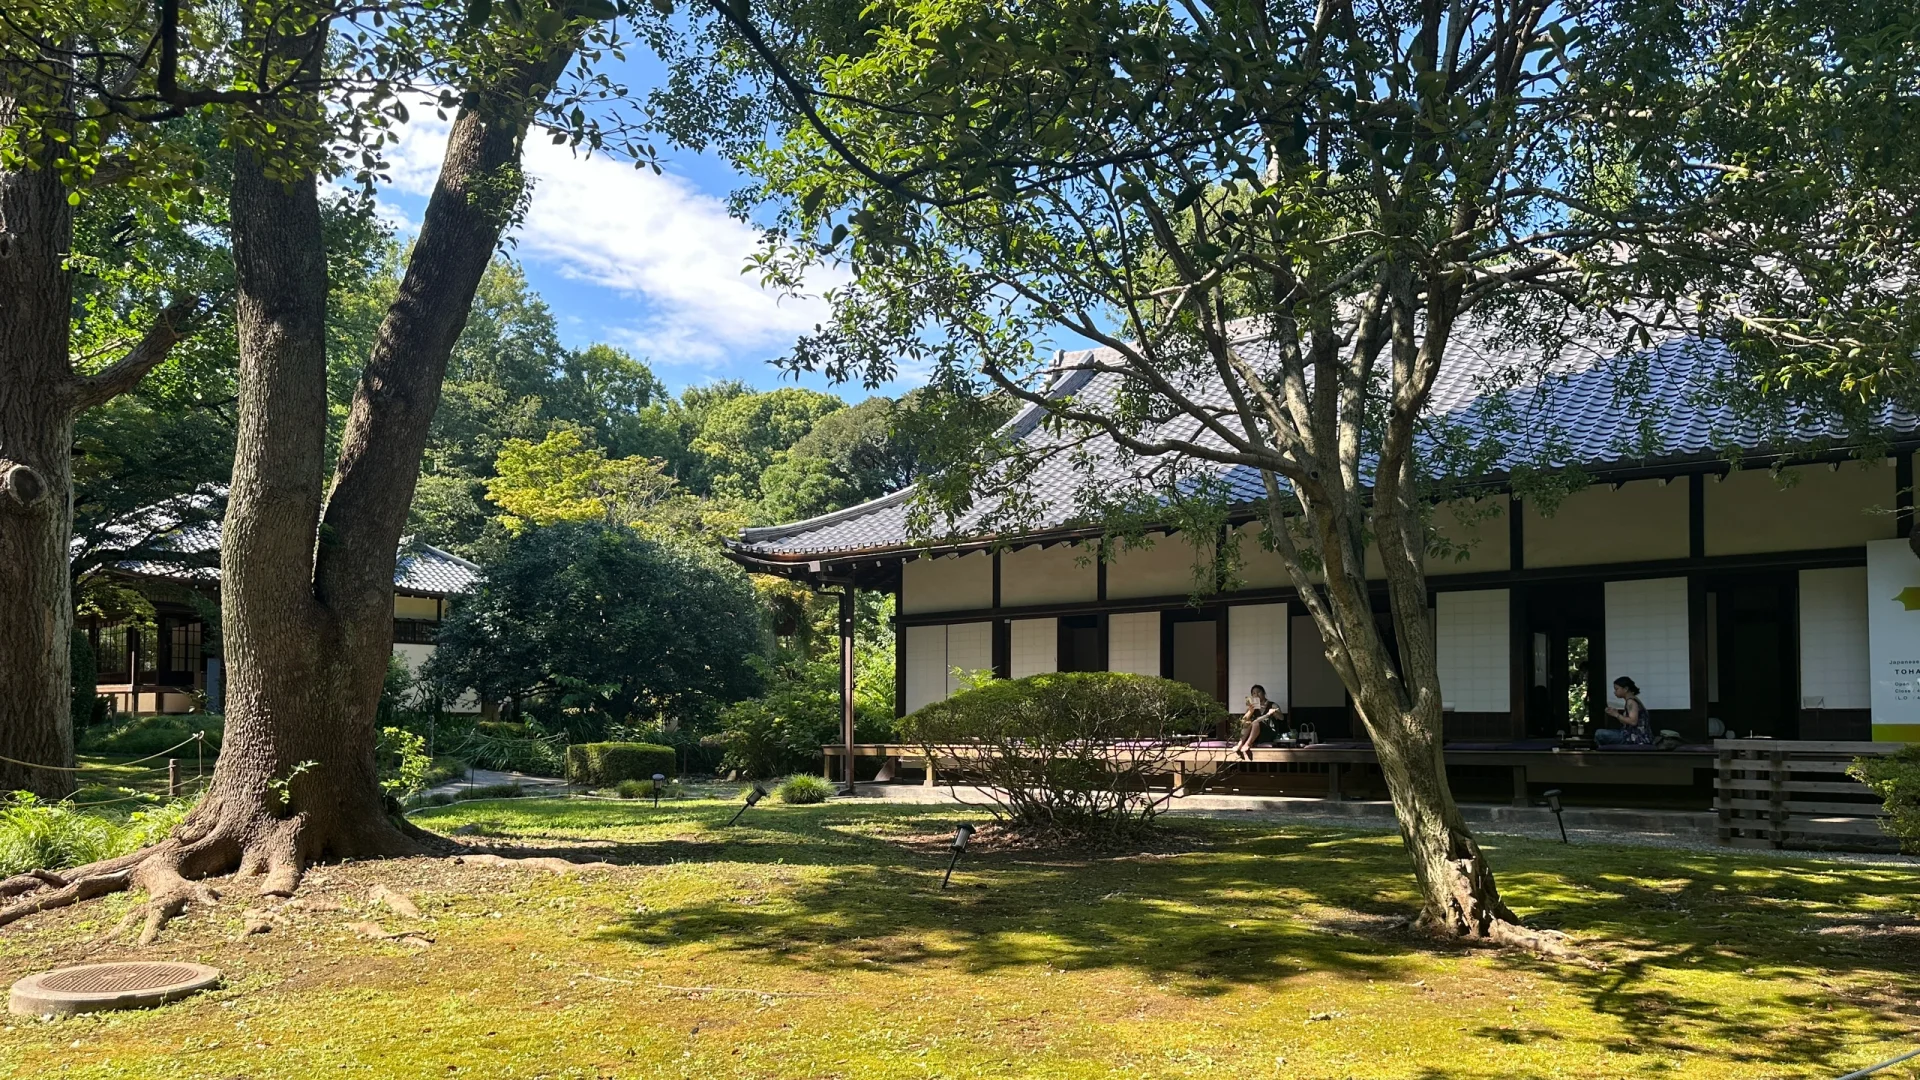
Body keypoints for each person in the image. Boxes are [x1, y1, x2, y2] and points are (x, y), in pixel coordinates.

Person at [1596, 677, 1652, 746]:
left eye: (1617, 689)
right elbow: (1626, 722)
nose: (1615, 692)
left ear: (1625, 689)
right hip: (1630, 735)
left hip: (1635, 738)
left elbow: (1633, 722)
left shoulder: (1631, 702)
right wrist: (1615, 713)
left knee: (1599, 733)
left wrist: (1616, 714)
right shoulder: (1632, 700)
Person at [1236, 685, 1283, 755]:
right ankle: (1240, 743)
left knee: (1255, 723)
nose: (1256, 695)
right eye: (1254, 693)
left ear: (1264, 693)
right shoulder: (1253, 707)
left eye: (1258, 692)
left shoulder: (1272, 705)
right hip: (1254, 734)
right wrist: (1250, 711)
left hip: (1268, 732)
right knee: (1248, 723)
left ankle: (1247, 744)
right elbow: (1243, 721)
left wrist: (1274, 712)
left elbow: (1282, 718)